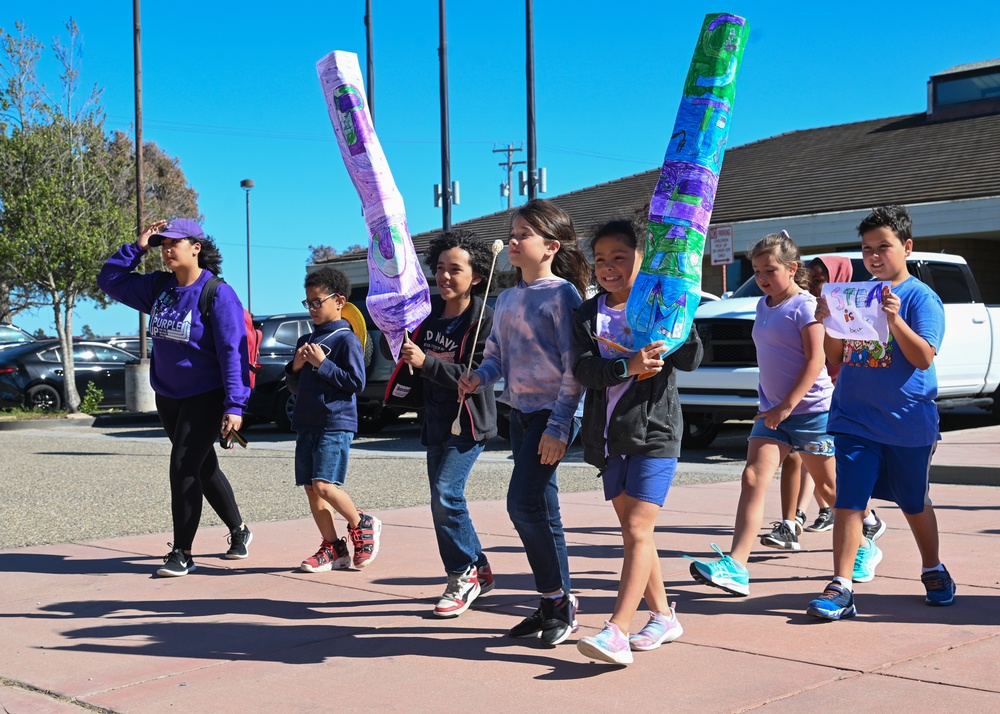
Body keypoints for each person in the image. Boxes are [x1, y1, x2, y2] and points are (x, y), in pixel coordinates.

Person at [806, 205, 954, 620]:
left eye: (883, 247)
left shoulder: (921, 298)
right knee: (848, 503)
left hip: (907, 422)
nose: (873, 256)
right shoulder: (854, 294)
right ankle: (842, 587)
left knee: (913, 501)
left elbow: (923, 357)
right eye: (867, 248)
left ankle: (933, 568)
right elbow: (837, 356)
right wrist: (829, 323)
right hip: (854, 419)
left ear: (905, 247)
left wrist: (894, 319)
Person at [458, 198, 589, 646]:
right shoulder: (508, 296)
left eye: (524, 234)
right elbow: (495, 354)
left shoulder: (563, 295)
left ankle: (555, 601)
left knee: (522, 504)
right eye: (512, 233)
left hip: (553, 416)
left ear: (551, 246)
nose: (513, 240)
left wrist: (558, 425)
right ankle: (558, 602)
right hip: (521, 414)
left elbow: (576, 367)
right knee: (544, 510)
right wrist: (479, 376)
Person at [572, 220, 702, 665]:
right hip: (607, 437)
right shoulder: (588, 314)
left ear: (642, 259)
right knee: (636, 536)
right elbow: (582, 371)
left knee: (637, 530)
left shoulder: (662, 300)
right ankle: (664, 616)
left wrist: (676, 314)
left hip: (655, 432)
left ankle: (616, 631)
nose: (609, 267)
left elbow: (692, 358)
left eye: (619, 258)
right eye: (601, 260)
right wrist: (625, 366)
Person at [98, 218, 253, 577]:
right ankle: (240, 530)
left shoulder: (218, 293)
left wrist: (234, 405)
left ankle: (182, 551)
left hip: (207, 394)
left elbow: (234, 352)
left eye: (174, 243)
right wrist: (138, 247)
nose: (166, 249)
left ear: (195, 247)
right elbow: (109, 280)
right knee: (201, 465)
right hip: (168, 395)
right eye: (162, 244)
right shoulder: (160, 287)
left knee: (183, 466)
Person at [685, 230, 837, 596]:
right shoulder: (760, 305)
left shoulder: (804, 305)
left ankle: (864, 543)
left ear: (791, 268)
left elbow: (817, 360)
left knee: (832, 492)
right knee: (752, 478)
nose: (762, 278)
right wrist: (773, 406)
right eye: (756, 271)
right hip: (771, 414)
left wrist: (787, 406)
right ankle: (736, 566)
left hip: (811, 412)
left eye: (770, 269)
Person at [393, 230, 498, 617]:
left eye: (456, 269)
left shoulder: (485, 318)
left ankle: (462, 574)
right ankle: (479, 567)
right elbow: (414, 362)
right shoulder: (426, 313)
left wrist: (427, 362)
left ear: (477, 276)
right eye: (439, 268)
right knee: (444, 500)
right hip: (435, 421)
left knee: (445, 493)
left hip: (468, 422)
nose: (445, 277)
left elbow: (477, 374)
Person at [286, 267, 381, 573]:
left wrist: (323, 364)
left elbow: (356, 382)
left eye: (317, 301)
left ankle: (362, 524)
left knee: (324, 485)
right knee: (311, 489)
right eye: (308, 303)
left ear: (338, 301)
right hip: (306, 422)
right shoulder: (307, 338)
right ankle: (333, 547)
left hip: (335, 423)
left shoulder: (346, 339)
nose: (312, 308)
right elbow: (296, 387)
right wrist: (296, 368)